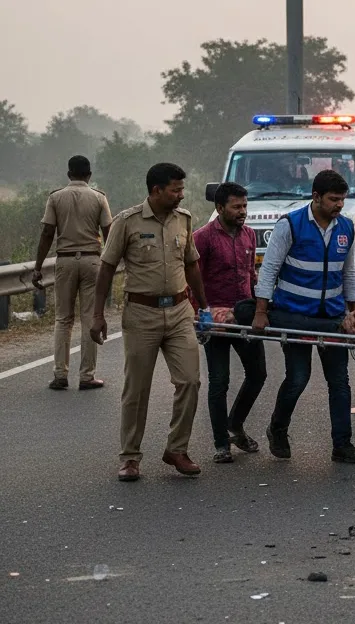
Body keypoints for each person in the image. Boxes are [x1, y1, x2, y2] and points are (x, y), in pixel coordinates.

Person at [91, 163, 211, 482]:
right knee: (137, 389)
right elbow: (106, 268)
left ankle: (177, 449)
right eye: (175, 189)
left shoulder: (183, 220)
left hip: (180, 311)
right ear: (156, 191)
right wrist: (97, 314)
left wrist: (205, 307)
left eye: (181, 189)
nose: (180, 194)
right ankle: (130, 457)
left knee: (190, 380)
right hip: (140, 314)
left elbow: (192, 266)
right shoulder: (127, 222)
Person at [253, 170, 355, 464]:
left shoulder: (346, 227)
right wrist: (261, 312)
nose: (339, 205)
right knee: (298, 378)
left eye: (342, 199)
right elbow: (269, 270)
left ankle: (342, 445)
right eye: (333, 199)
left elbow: (348, 273)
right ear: (316, 197)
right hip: (295, 317)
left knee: (339, 383)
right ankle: (277, 429)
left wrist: (353, 310)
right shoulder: (289, 225)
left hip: (331, 317)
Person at [192, 183, 266, 464]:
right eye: (236, 207)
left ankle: (235, 424)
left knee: (258, 374)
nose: (243, 212)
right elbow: (192, 279)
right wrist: (202, 315)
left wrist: (260, 306)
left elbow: (251, 274)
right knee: (219, 381)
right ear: (220, 208)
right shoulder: (203, 238)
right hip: (215, 321)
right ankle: (221, 444)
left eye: (245, 206)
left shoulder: (249, 235)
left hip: (244, 317)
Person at [31, 155, 112, 391]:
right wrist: (111, 263)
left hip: (65, 260)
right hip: (92, 260)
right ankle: (87, 376)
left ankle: (60, 375)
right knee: (89, 317)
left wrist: (37, 267)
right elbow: (109, 231)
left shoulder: (56, 197)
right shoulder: (99, 198)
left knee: (63, 319)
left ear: (69, 174)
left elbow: (47, 233)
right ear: (89, 175)